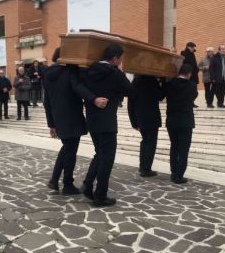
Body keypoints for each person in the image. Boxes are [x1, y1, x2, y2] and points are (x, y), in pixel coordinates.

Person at [44, 48, 108, 195]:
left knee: (67, 147)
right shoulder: (69, 71)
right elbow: (78, 87)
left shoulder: (48, 74)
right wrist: (93, 99)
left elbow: (46, 101)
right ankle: (67, 184)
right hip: (72, 116)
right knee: (70, 150)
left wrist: (51, 124)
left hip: (58, 117)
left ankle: (54, 180)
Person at [81, 44, 133, 207]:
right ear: (115, 58)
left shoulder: (89, 70)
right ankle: (100, 196)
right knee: (107, 159)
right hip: (107, 122)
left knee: (100, 154)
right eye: (120, 58)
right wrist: (121, 72)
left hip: (92, 120)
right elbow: (130, 91)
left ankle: (87, 185)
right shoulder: (114, 73)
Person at [164, 64, 198, 184]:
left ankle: (173, 172)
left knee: (174, 146)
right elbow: (194, 96)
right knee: (183, 149)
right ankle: (179, 176)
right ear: (188, 74)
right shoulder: (192, 86)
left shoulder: (170, 84)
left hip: (171, 121)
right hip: (185, 122)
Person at [128, 75, 164, 177]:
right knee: (150, 143)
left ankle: (142, 166)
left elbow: (130, 102)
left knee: (145, 141)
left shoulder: (135, 81)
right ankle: (146, 169)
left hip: (139, 117)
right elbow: (160, 96)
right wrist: (163, 82)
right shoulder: (152, 80)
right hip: (151, 117)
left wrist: (133, 121)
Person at [181, 42, 199, 108]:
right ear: (188, 47)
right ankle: (188, 102)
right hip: (187, 76)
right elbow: (183, 64)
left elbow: (194, 64)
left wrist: (197, 69)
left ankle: (191, 102)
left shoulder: (193, 54)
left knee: (194, 91)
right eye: (192, 47)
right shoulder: (183, 53)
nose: (193, 48)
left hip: (194, 75)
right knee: (188, 90)